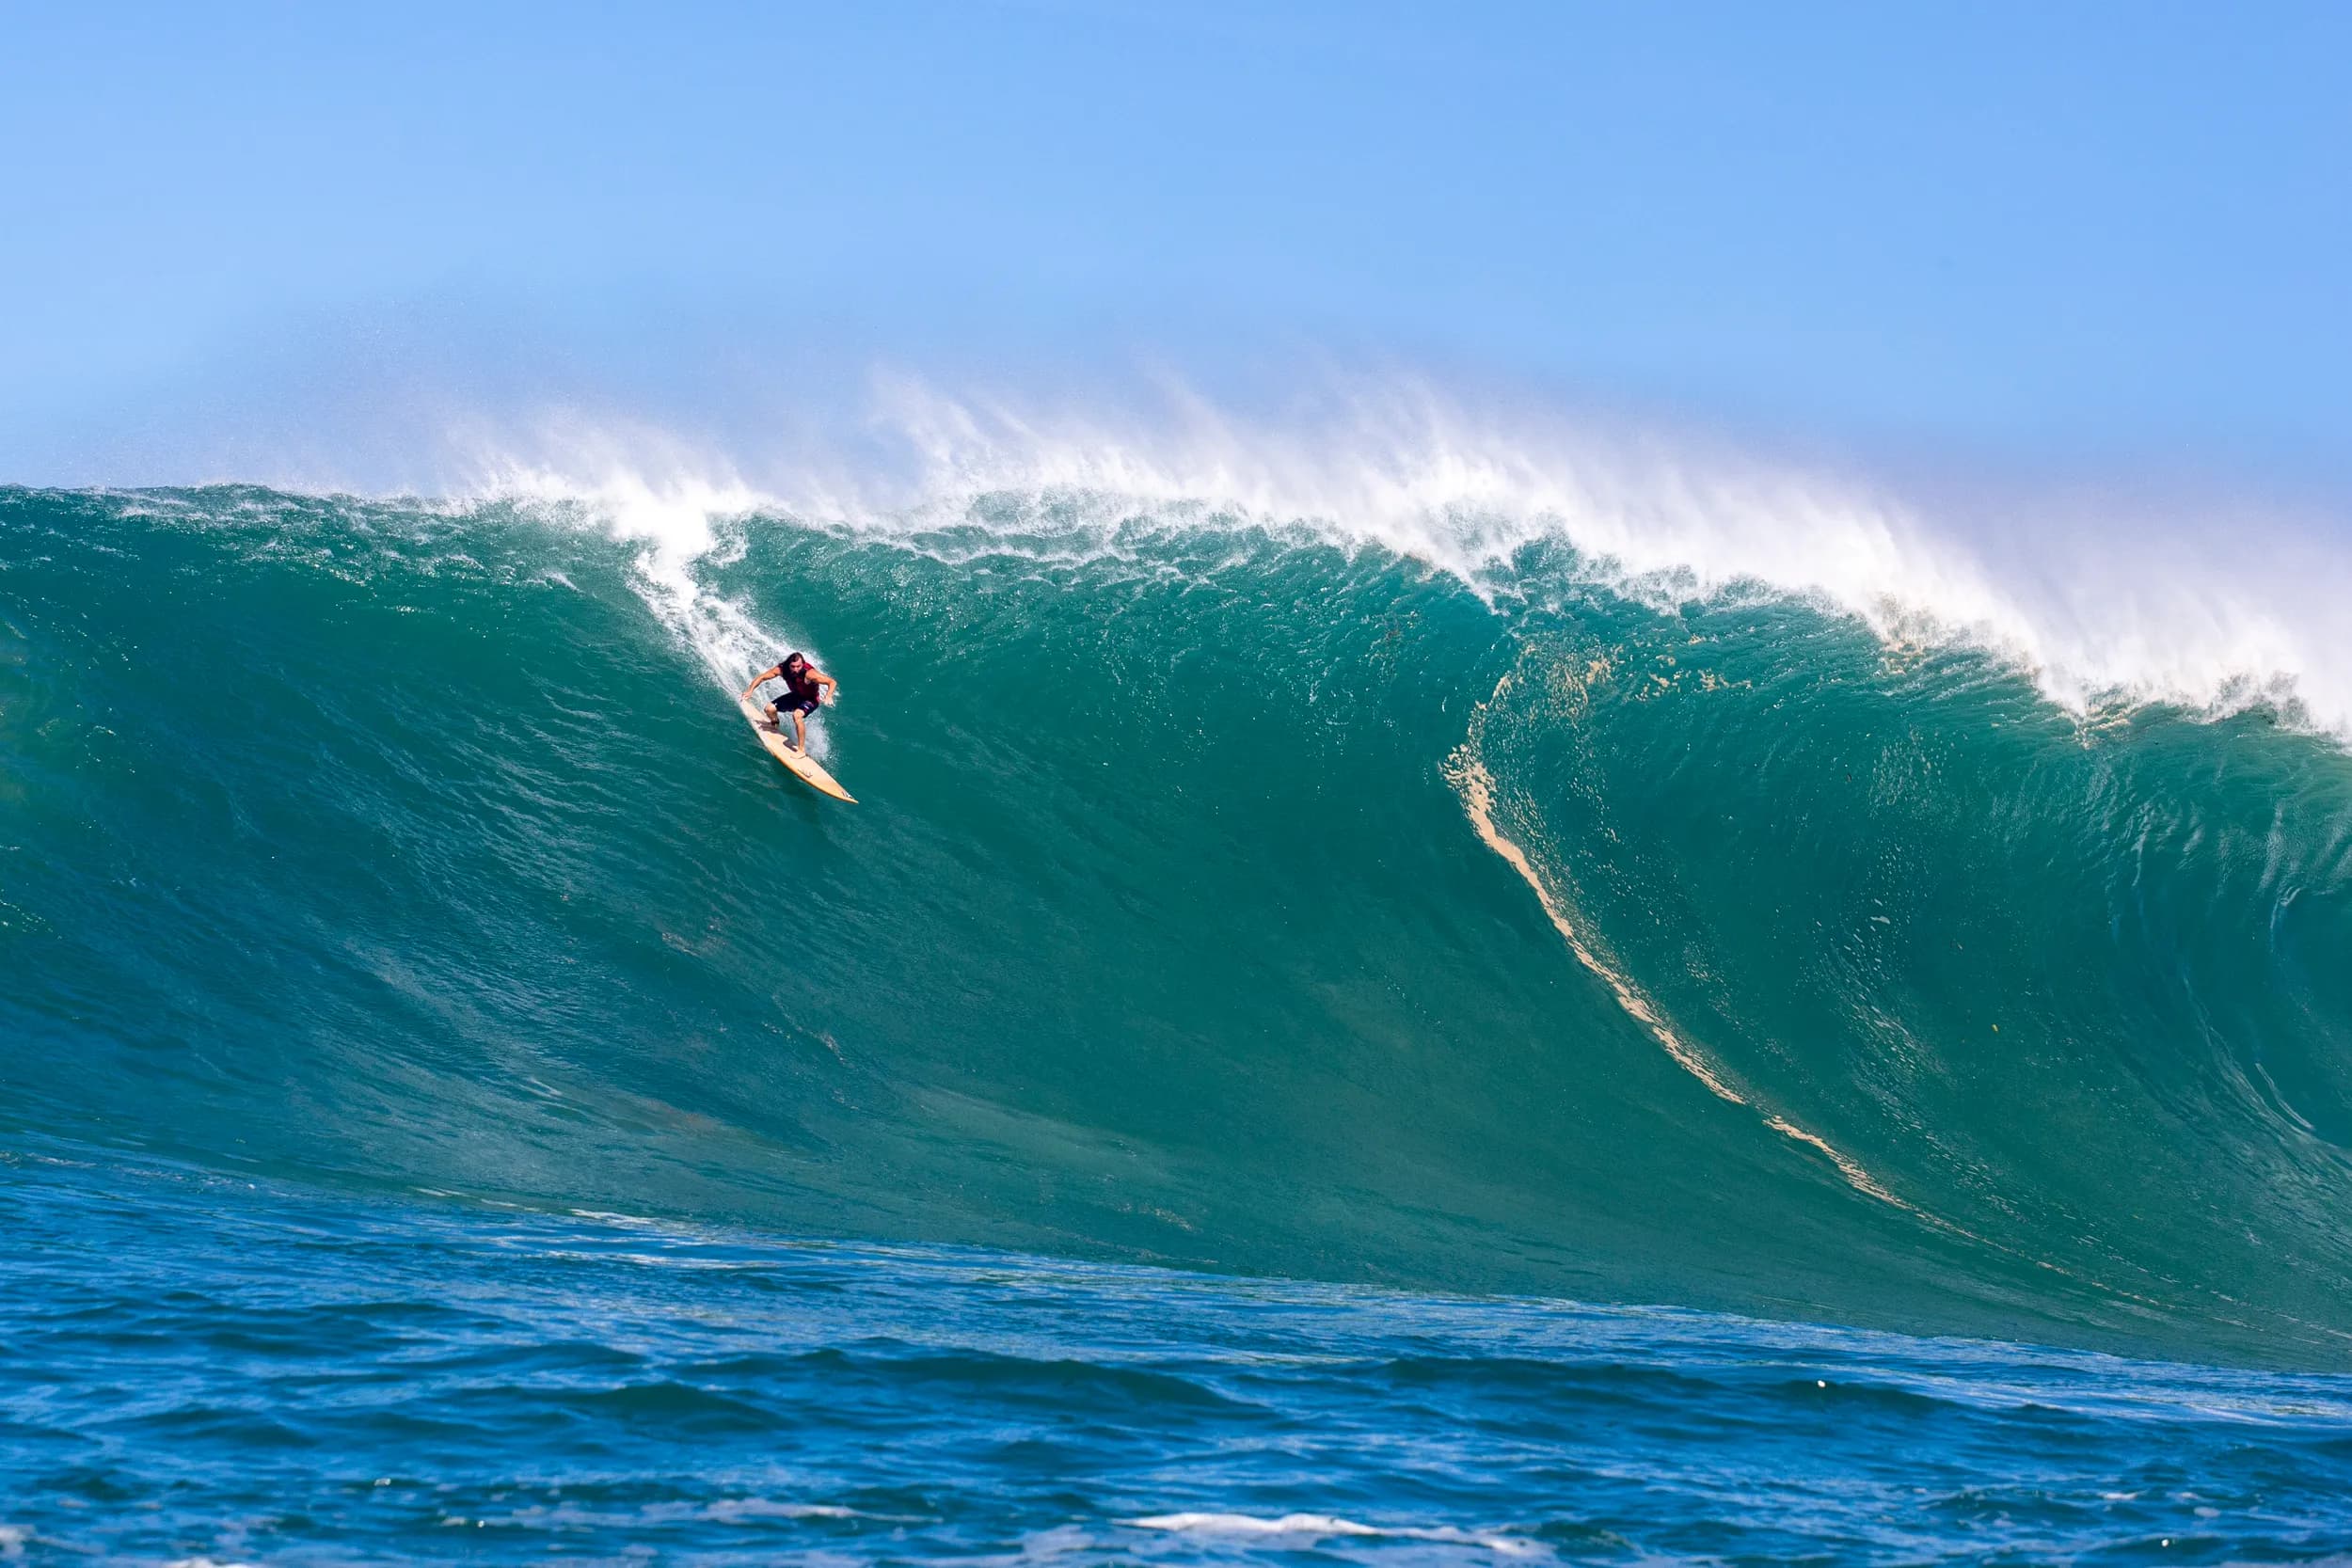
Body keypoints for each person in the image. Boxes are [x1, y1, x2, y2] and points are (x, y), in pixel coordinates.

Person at [741, 652, 837, 754]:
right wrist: (750, 690)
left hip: (810, 700)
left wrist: (828, 695)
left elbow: (832, 682)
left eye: (798, 666)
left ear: (803, 664)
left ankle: (801, 750)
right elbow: (762, 677)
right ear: (788, 665)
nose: (796, 669)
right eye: (793, 666)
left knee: (797, 715)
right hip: (795, 696)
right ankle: (775, 724)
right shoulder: (782, 669)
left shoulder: (809, 673)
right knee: (769, 709)